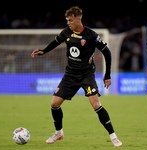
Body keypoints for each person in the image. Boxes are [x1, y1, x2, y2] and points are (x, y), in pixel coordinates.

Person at [31, 6, 122, 147]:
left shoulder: (91, 35)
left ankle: (113, 136)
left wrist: (108, 74)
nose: (68, 23)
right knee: (54, 104)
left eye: (71, 20)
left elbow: (107, 52)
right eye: (67, 20)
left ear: (79, 19)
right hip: (70, 75)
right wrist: (44, 51)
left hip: (87, 75)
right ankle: (58, 132)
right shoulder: (66, 32)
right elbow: (56, 42)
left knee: (96, 104)